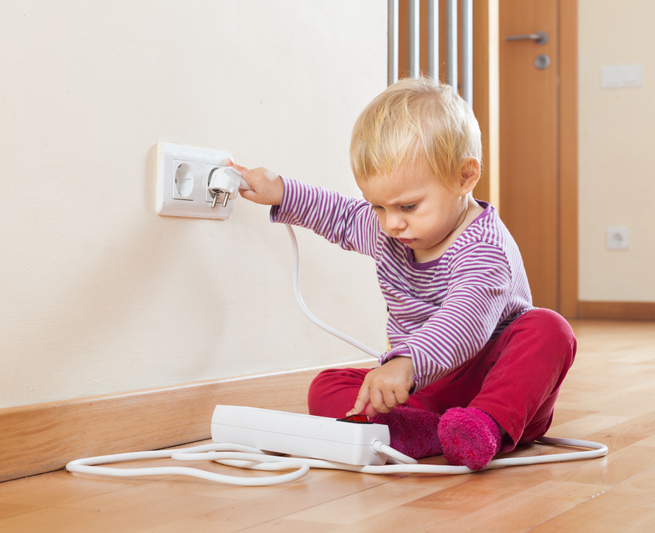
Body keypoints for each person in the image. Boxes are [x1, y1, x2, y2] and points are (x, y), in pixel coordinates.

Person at [230, 77, 576, 471]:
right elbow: (341, 215)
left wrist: (407, 362)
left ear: (464, 177)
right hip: (425, 387)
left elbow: (463, 320)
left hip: (494, 384)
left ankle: (484, 427)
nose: (391, 223)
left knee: (548, 328)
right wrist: (280, 191)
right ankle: (423, 431)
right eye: (378, 206)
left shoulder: (484, 249)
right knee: (326, 386)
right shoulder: (389, 230)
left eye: (408, 206)